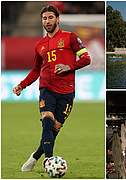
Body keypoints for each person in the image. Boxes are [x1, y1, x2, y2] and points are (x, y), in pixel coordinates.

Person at [12, 5, 91, 172]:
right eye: (44, 18)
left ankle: (34, 157)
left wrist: (68, 66)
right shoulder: (39, 45)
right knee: (47, 122)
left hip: (67, 93)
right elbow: (35, 70)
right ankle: (49, 161)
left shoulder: (70, 37)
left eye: (50, 18)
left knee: (53, 130)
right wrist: (21, 85)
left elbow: (86, 58)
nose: (47, 21)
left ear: (57, 19)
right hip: (46, 89)